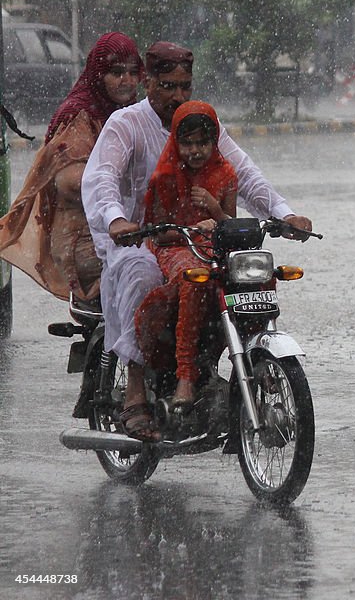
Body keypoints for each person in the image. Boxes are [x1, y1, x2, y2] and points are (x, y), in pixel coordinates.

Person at [82, 41, 313, 441]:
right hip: (139, 240)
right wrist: (117, 220)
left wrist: (284, 213)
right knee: (140, 274)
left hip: (197, 240)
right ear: (147, 82)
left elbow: (245, 173)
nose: (179, 96)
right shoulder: (125, 125)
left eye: (185, 86)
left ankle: (220, 369)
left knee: (243, 276)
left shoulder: (198, 123)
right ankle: (135, 391)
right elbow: (101, 181)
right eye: (168, 86)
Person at [0, 32, 143, 302]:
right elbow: (71, 181)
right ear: (98, 74)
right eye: (116, 72)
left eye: (133, 72)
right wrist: (127, 184)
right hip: (83, 237)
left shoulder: (130, 111)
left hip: (126, 232)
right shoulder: (81, 114)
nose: (127, 81)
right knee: (141, 276)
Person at [140, 101, 237, 408]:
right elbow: (158, 232)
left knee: (253, 277)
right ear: (176, 143)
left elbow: (229, 224)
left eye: (203, 143)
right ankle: (185, 376)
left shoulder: (226, 173)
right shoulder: (165, 177)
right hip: (174, 247)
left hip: (211, 246)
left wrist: (214, 208)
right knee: (194, 280)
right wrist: (193, 229)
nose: (195, 151)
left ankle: (257, 354)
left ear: (214, 141)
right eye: (188, 143)